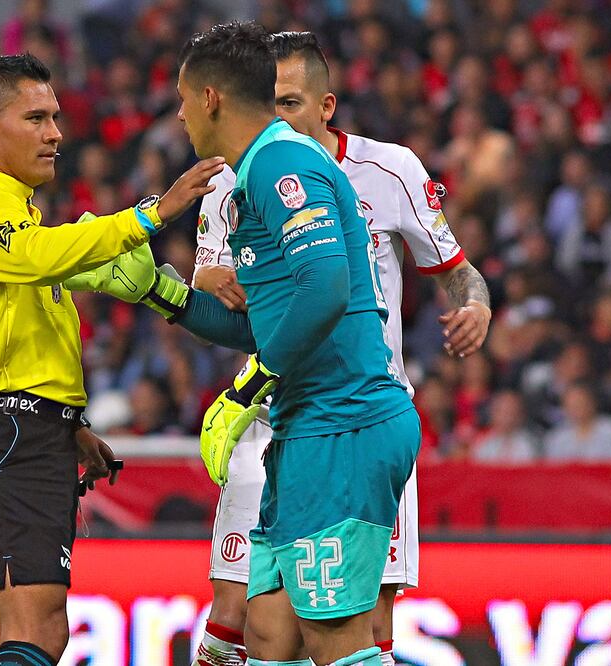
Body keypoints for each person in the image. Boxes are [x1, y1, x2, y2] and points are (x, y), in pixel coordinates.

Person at [66, 22, 420, 666]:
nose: (177, 114)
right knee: (267, 638)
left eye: (180, 99)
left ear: (209, 98)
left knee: (339, 642)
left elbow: (324, 290)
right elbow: (266, 318)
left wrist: (248, 387)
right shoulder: (254, 172)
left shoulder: (282, 164)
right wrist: (160, 293)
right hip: (310, 428)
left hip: (346, 423)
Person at [189, 31, 492, 666]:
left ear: (326, 107)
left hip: (351, 413)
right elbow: (224, 295)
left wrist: (477, 302)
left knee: (360, 622)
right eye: (266, 102)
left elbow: (454, 266)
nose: (276, 118)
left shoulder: (388, 170)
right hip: (271, 418)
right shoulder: (228, 185)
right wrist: (162, 289)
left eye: (291, 103)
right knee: (251, 623)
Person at [0, 53, 223, 666]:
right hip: (8, 434)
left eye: (56, 117)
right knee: (39, 629)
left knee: (19, 627)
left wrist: (69, 424)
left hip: (21, 429)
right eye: (35, 118)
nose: (55, 133)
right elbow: (44, 256)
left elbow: (26, 331)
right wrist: (153, 213)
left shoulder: (9, 211)